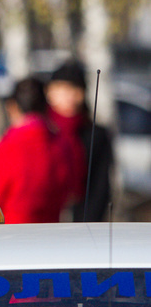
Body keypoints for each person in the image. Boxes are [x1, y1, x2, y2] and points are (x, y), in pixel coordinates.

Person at [0, 77, 78, 224]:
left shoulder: (5, 149)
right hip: (51, 235)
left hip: (10, 237)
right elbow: (73, 190)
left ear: (12, 107)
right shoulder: (63, 146)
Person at [46, 59, 113, 222]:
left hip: (83, 222)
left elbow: (101, 186)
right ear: (49, 92)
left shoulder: (95, 134)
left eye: (75, 89)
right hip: (43, 221)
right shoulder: (40, 131)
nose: (69, 95)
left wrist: (88, 223)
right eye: (62, 88)